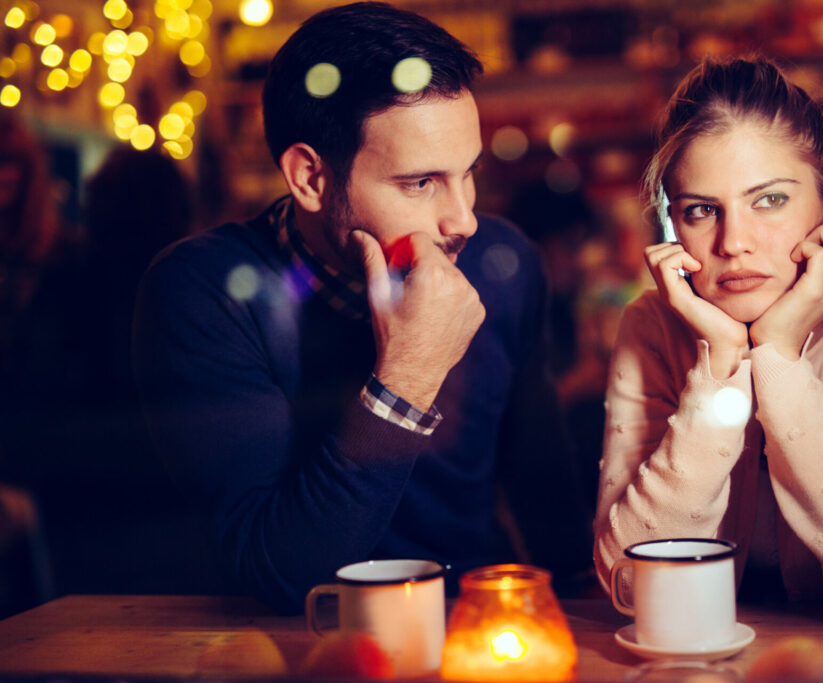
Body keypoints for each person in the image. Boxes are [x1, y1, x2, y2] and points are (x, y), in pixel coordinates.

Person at [133, 1, 592, 614]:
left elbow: (547, 506)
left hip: (478, 636)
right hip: (302, 650)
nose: (464, 218)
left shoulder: (505, 262)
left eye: (468, 173)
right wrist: (408, 375)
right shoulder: (205, 292)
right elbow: (274, 575)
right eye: (420, 183)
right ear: (311, 179)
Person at [593, 57, 823, 635]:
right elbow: (630, 588)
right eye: (701, 210)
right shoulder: (653, 325)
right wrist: (718, 367)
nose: (734, 242)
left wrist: (779, 356)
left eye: (769, 200)